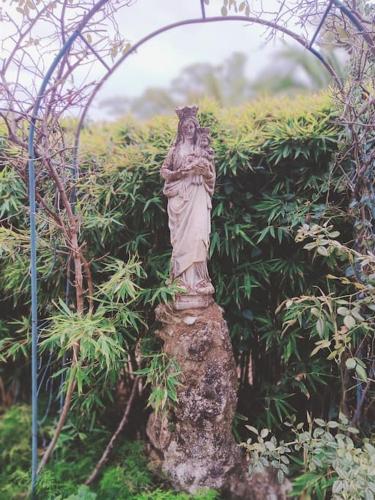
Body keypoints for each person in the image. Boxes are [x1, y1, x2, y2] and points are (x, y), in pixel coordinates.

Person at [160, 105, 215, 297]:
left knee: (199, 237)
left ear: (195, 127)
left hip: (199, 195)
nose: (188, 129)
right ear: (180, 128)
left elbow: (212, 176)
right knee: (182, 241)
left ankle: (200, 281)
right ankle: (181, 281)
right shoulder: (174, 150)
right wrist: (178, 173)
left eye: (191, 126)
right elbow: (164, 171)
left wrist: (205, 171)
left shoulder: (204, 149)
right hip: (180, 198)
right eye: (185, 126)